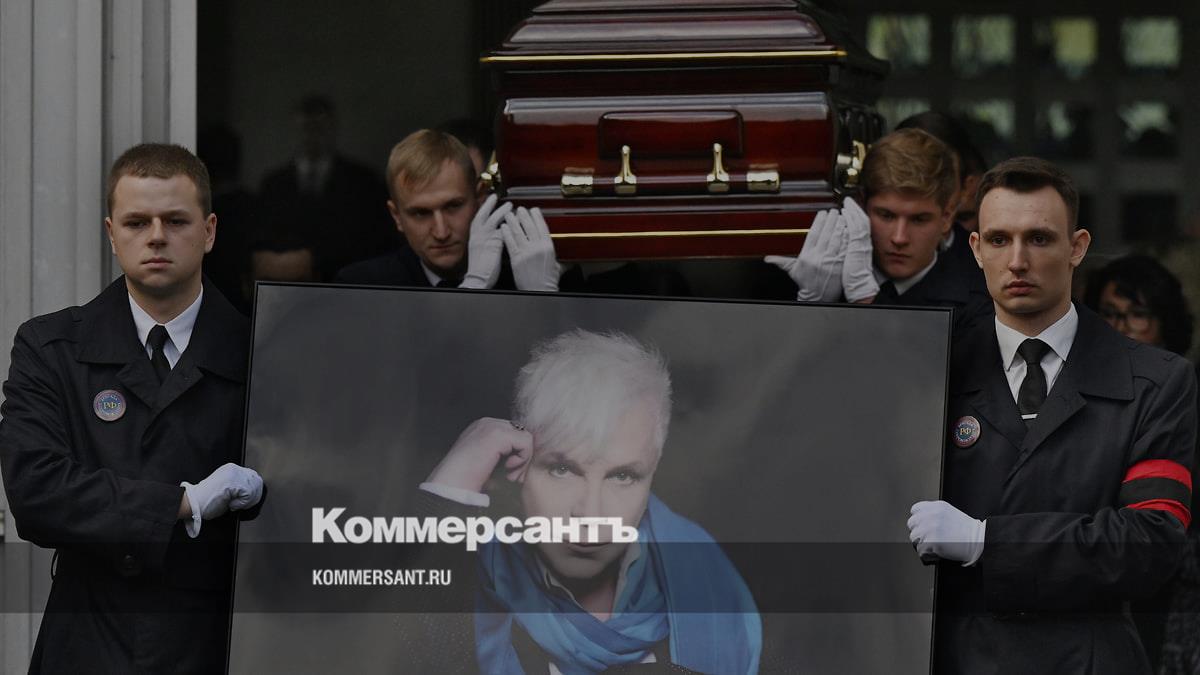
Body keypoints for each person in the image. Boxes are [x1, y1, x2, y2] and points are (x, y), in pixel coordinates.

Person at [905, 157, 1196, 673]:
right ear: (976, 249)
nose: (1017, 261)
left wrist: (986, 541)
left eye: (1038, 238)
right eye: (999, 240)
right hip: (957, 656)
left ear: (1077, 247)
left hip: (1090, 658)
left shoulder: (1156, 381)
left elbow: (1150, 542)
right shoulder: (930, 371)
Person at [0, 143, 265, 673]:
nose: (157, 236)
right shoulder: (51, 347)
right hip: (88, 640)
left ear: (209, 231)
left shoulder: (261, 349)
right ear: (111, 233)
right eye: (137, 222)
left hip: (215, 641)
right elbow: (35, 492)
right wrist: (183, 504)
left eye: (176, 220)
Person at [417, 329, 761, 674]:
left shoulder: (713, 586)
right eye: (562, 469)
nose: (591, 514)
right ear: (518, 465)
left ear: (653, 470)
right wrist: (449, 491)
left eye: (623, 476)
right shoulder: (466, 573)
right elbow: (407, 652)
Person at [1084, 255, 1198, 673]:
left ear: (1164, 323)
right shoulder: (1079, 388)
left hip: (1174, 579)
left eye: (1137, 315)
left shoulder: (1182, 390)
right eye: (1110, 313)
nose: (1121, 327)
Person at [767, 128, 992, 335]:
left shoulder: (978, 302)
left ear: (947, 218)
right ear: (861, 205)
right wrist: (810, 308)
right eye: (886, 215)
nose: (899, 238)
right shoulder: (815, 277)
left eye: (919, 220)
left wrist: (867, 301)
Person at [334, 129, 562, 292]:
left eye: (453, 206)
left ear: (480, 198)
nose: (441, 232)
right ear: (397, 216)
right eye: (421, 213)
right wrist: (474, 286)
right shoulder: (365, 288)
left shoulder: (523, 274)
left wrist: (540, 301)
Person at [258, 95, 396, 280]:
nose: (313, 136)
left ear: (333, 128)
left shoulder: (363, 182)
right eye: (307, 127)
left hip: (346, 282)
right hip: (288, 285)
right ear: (296, 129)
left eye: (320, 128)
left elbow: (374, 240)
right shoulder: (274, 185)